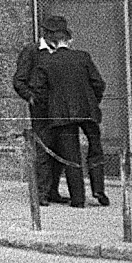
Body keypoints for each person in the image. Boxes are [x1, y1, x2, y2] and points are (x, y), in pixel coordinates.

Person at [30, 17, 108, 207]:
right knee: (95, 148)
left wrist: (49, 108)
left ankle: (78, 199)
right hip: (88, 111)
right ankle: (99, 190)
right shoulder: (83, 57)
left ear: (53, 41)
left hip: (62, 116)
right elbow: (99, 84)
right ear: (69, 40)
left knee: (71, 155)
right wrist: (91, 101)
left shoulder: (46, 62)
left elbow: (38, 90)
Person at [13, 19, 66, 203]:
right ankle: (41, 193)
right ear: (48, 33)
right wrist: (30, 97)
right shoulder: (32, 51)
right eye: (57, 33)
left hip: (60, 109)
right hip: (41, 109)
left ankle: (53, 191)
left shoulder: (61, 52)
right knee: (42, 150)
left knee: (59, 150)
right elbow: (19, 80)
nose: (60, 37)